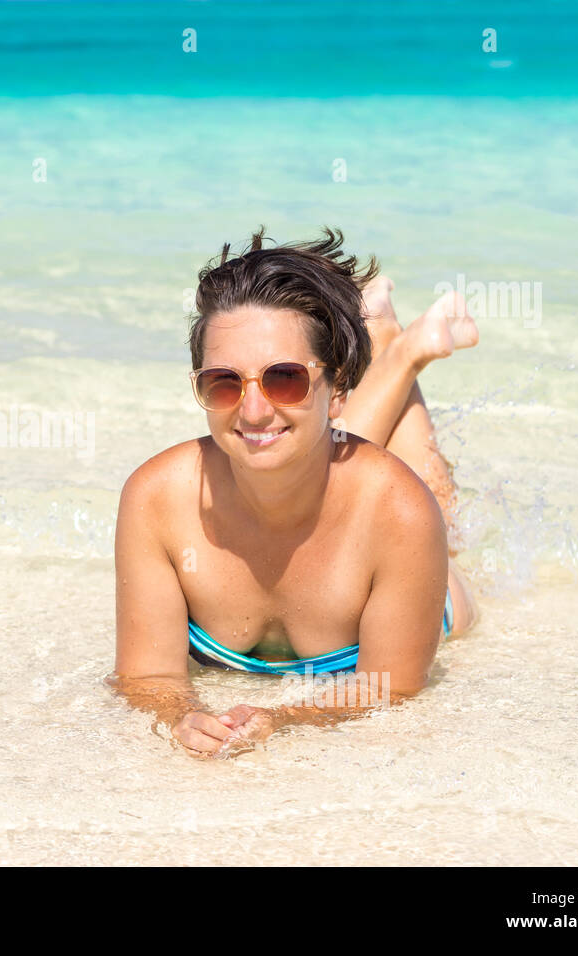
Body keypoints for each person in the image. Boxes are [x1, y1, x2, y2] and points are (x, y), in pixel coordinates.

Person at [107, 226, 480, 759]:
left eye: (285, 379)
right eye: (224, 382)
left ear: (339, 389)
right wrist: (179, 717)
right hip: (327, 456)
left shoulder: (398, 511)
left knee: (440, 517)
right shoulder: (157, 500)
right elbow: (147, 676)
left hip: (425, 583)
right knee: (297, 442)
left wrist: (283, 719)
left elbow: (393, 686)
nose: (253, 407)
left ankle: (401, 354)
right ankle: (395, 344)